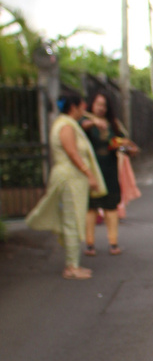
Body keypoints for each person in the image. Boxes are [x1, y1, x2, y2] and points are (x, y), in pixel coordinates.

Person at [26, 93, 106, 279]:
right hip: (70, 177)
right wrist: (89, 173)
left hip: (73, 177)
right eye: (82, 104)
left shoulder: (68, 124)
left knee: (74, 218)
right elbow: (72, 153)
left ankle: (73, 264)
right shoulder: (66, 126)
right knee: (72, 220)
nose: (85, 107)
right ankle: (71, 267)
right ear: (74, 107)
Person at [81, 91, 137, 255]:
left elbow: (121, 142)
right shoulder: (85, 121)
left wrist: (127, 148)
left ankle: (113, 243)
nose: (101, 108)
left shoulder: (113, 124)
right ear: (92, 104)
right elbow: (82, 127)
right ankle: (90, 245)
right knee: (90, 207)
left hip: (110, 168)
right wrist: (94, 123)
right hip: (92, 168)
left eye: (104, 105)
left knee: (111, 205)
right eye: (98, 104)